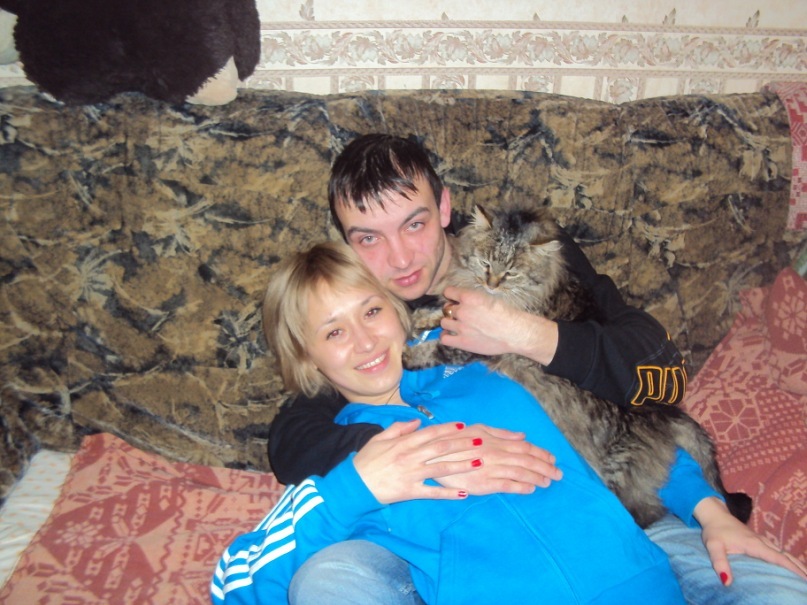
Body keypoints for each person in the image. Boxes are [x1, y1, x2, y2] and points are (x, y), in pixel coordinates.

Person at [267, 135, 807, 604]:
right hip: (463, 542)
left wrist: (523, 333)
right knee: (328, 575)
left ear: (446, 207)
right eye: (368, 238)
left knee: (780, 591)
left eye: (415, 223)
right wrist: (435, 453)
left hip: (613, 499)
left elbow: (659, 374)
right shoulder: (371, 322)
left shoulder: (530, 250)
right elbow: (293, 437)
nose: (401, 258)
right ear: (347, 243)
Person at [213, 241, 741, 604]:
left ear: (399, 310)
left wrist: (708, 507)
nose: (366, 340)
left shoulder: (493, 365)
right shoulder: (347, 462)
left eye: (372, 312)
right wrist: (359, 485)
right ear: (307, 360)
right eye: (333, 332)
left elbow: (625, 430)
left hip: (646, 589)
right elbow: (235, 583)